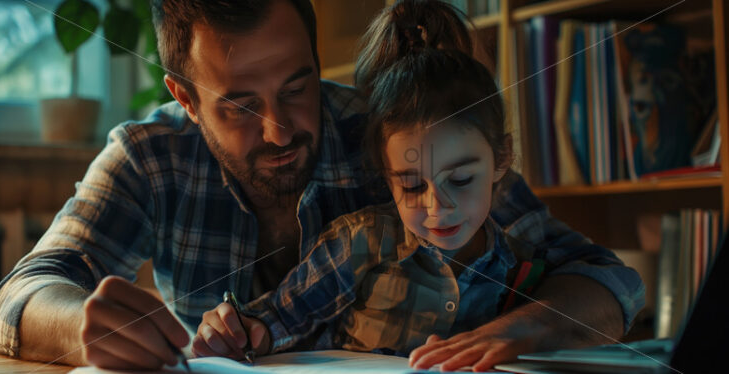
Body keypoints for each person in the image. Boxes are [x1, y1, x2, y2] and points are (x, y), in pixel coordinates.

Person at [0, 0, 643, 371]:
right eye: (240, 105)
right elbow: (18, 296)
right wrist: (78, 327)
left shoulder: (396, 136)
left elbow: (609, 281)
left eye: (297, 86)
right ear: (184, 96)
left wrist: (522, 329)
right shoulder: (150, 158)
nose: (279, 130)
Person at [189, 1, 645, 372]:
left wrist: (523, 328)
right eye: (410, 185)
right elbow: (283, 313)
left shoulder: (512, 242)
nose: (438, 208)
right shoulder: (362, 237)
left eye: (462, 178)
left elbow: (612, 281)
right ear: (381, 165)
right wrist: (241, 329)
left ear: (500, 158)